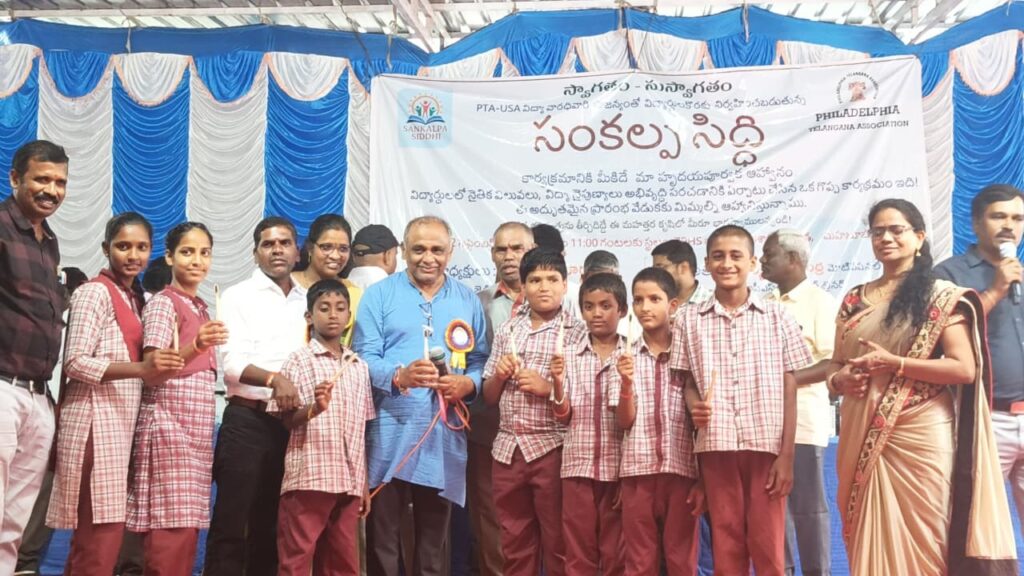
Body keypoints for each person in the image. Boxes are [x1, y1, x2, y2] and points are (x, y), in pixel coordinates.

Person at [829, 199, 1016, 575]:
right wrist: (838, 380)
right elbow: (837, 365)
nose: (886, 238)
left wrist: (896, 364)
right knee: (865, 531)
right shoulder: (854, 299)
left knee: (928, 537)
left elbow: (963, 368)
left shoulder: (941, 296)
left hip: (921, 434)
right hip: (860, 428)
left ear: (918, 237)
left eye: (896, 230)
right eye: (878, 231)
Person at [46, 213, 181, 575]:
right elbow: (75, 362)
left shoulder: (135, 298)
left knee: (98, 536)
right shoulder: (94, 292)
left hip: (118, 423)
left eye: (141, 247)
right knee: (100, 534)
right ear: (106, 249)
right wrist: (141, 369)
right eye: (123, 246)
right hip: (94, 421)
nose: (133, 255)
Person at [354, 215, 488, 576]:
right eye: (419, 249)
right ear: (403, 251)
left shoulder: (466, 299)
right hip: (390, 433)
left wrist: (468, 384)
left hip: (442, 435)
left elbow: (480, 360)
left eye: (437, 250)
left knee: (433, 544)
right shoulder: (379, 295)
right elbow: (362, 357)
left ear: (451, 252)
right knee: (384, 539)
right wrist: (398, 376)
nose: (428, 258)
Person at [675, 225, 811, 575]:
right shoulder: (689, 319)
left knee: (768, 547)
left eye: (736, 256)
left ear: (752, 262)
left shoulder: (777, 316)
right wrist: (694, 405)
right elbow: (687, 382)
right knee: (727, 543)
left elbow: (790, 384)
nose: (727, 263)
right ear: (707, 263)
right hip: (716, 446)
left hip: (765, 446)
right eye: (718, 256)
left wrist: (786, 455)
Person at [205, 216, 306, 575]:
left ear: (298, 252)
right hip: (247, 420)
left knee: (273, 524)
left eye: (285, 243)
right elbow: (232, 364)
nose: (277, 250)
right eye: (268, 244)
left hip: (292, 424)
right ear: (255, 253)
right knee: (232, 523)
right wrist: (275, 380)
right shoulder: (238, 296)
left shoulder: (307, 300)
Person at [127, 222, 229, 574]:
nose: (197, 260)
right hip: (169, 428)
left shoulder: (199, 306)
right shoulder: (163, 304)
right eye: (187, 252)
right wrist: (196, 345)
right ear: (170, 257)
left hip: (195, 434)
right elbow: (152, 371)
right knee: (169, 529)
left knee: (186, 528)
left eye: (204, 253)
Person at [483, 247, 584, 576]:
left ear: (566, 284)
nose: (544, 287)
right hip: (507, 452)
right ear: (523, 287)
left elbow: (582, 402)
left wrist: (548, 387)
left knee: (558, 543)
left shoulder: (577, 333)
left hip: (552, 450)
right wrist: (499, 375)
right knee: (514, 544)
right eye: (535, 280)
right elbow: (489, 397)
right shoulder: (508, 330)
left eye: (552, 279)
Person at [934, 184, 1024, 530]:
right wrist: (996, 290)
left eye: (1017, 218)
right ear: (975, 223)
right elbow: (940, 335)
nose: (1009, 226)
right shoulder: (950, 275)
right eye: (998, 216)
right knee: (980, 528)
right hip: (984, 418)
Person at [271, 279, 374, 576]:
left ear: (349, 317)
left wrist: (363, 484)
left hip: (349, 480)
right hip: (310, 477)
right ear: (309, 316)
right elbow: (286, 420)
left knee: (343, 561)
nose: (333, 315)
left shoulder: (358, 366)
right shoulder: (298, 361)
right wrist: (314, 409)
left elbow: (361, 428)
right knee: (297, 558)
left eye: (340, 308)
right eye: (324, 308)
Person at [0, 140, 69, 574]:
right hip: (2, 387)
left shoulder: (49, 240)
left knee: (14, 522)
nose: (52, 190)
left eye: (60, 182)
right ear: (15, 178)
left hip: (38, 394)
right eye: (42, 179)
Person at [616, 267, 702, 576]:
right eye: (638, 300)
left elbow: (700, 422)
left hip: (681, 471)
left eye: (654, 299)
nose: (645, 307)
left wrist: (702, 479)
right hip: (637, 472)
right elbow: (624, 421)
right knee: (640, 562)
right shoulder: (625, 355)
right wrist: (626, 385)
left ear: (673, 305)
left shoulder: (690, 354)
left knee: (682, 560)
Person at [760, 229, 836, 576]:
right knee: (773, 511)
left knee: (808, 511)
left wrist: (784, 380)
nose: (762, 261)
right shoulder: (763, 304)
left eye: (769, 254)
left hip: (803, 423)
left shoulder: (821, 303)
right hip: (765, 426)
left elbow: (833, 363)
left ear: (792, 259)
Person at [550, 272, 626, 576]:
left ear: (622, 310)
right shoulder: (568, 353)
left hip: (618, 468)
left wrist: (626, 474)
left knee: (616, 552)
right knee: (578, 551)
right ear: (580, 310)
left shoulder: (631, 353)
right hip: (577, 467)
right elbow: (563, 415)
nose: (597, 313)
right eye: (589, 306)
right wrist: (557, 382)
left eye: (606, 306)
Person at [14, 267, 88, 576]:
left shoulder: (77, 327)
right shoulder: (32, 321)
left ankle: (25, 562)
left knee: (41, 491)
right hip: (25, 403)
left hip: (53, 413)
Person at [473, 221, 536, 576]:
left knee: (547, 519)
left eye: (517, 248)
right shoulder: (476, 303)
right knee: (493, 518)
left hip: (546, 432)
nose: (509, 256)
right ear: (492, 254)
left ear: (533, 251)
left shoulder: (558, 299)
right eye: (501, 249)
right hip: (490, 429)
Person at [292, 214, 363, 346]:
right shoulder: (288, 286)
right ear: (310, 248)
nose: (335, 256)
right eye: (326, 247)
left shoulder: (355, 294)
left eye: (343, 249)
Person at [651, 240, 711, 305]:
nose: (655, 275)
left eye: (660, 268)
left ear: (683, 268)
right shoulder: (655, 303)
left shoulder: (713, 302)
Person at [349, 224, 399, 290]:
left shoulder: (341, 286)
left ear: (354, 257)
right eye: (395, 254)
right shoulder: (392, 290)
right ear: (387, 256)